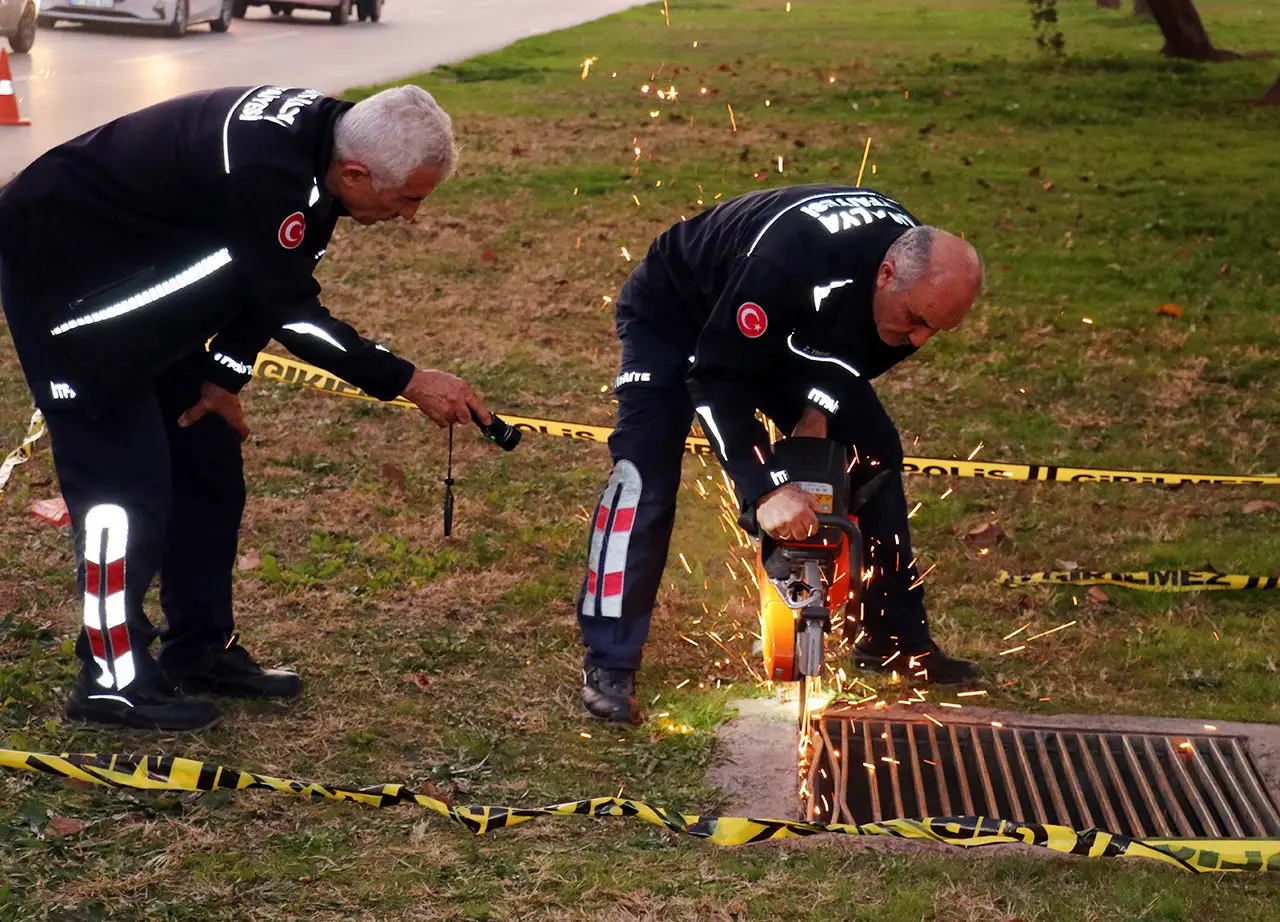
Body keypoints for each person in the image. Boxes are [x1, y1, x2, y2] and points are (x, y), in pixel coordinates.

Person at [0, 84, 492, 732]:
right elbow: (293, 311)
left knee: (207, 467)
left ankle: (200, 650)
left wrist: (223, 376)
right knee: (128, 498)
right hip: (70, 295)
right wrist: (406, 379)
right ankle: (110, 681)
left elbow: (266, 278)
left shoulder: (321, 148)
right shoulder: (268, 169)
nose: (411, 217)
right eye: (408, 199)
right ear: (357, 173)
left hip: (147, 295)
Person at [576, 184, 984, 724]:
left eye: (937, 328)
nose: (919, 340)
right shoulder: (788, 261)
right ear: (886, 275)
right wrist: (763, 486)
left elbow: (852, 359)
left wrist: (816, 416)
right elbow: (716, 377)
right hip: (676, 317)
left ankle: (891, 635)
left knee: (874, 449)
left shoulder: (907, 272)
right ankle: (609, 661)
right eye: (915, 320)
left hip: (782, 329)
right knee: (644, 470)